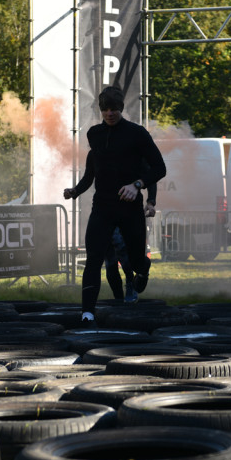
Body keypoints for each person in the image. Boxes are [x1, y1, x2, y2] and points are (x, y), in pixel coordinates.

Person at [63, 86, 166, 326]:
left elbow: (159, 168)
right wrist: (75, 191)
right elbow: (91, 172)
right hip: (102, 208)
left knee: (136, 260)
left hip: (130, 209)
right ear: (100, 110)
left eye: (114, 109)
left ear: (121, 108)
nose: (110, 113)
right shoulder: (94, 135)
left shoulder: (137, 134)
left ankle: (144, 268)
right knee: (94, 259)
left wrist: (137, 185)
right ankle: (87, 312)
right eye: (105, 109)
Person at [104, 183, 157, 303]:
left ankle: (131, 281)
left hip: (130, 213)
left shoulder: (135, 166)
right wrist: (76, 191)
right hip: (106, 211)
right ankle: (118, 299)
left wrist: (151, 202)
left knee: (124, 251)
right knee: (110, 262)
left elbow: (152, 175)